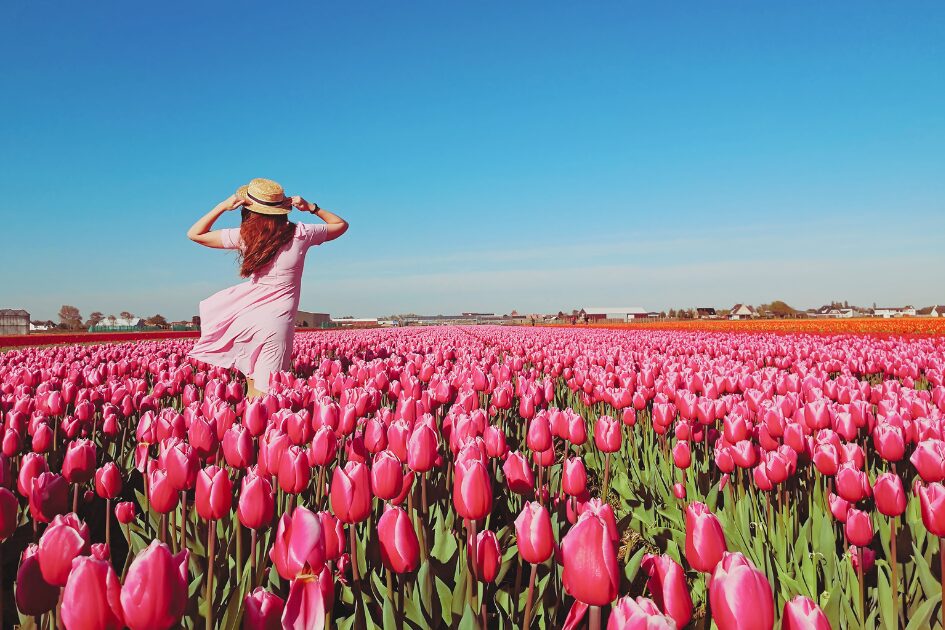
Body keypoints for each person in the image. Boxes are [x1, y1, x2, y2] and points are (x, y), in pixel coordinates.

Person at [186, 178, 348, 398]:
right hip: (276, 321)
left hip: (248, 315)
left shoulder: (246, 236)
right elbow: (340, 225)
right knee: (267, 393)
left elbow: (195, 234)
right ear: (283, 209)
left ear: (248, 209)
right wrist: (312, 207)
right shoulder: (301, 233)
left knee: (253, 388)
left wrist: (223, 206)